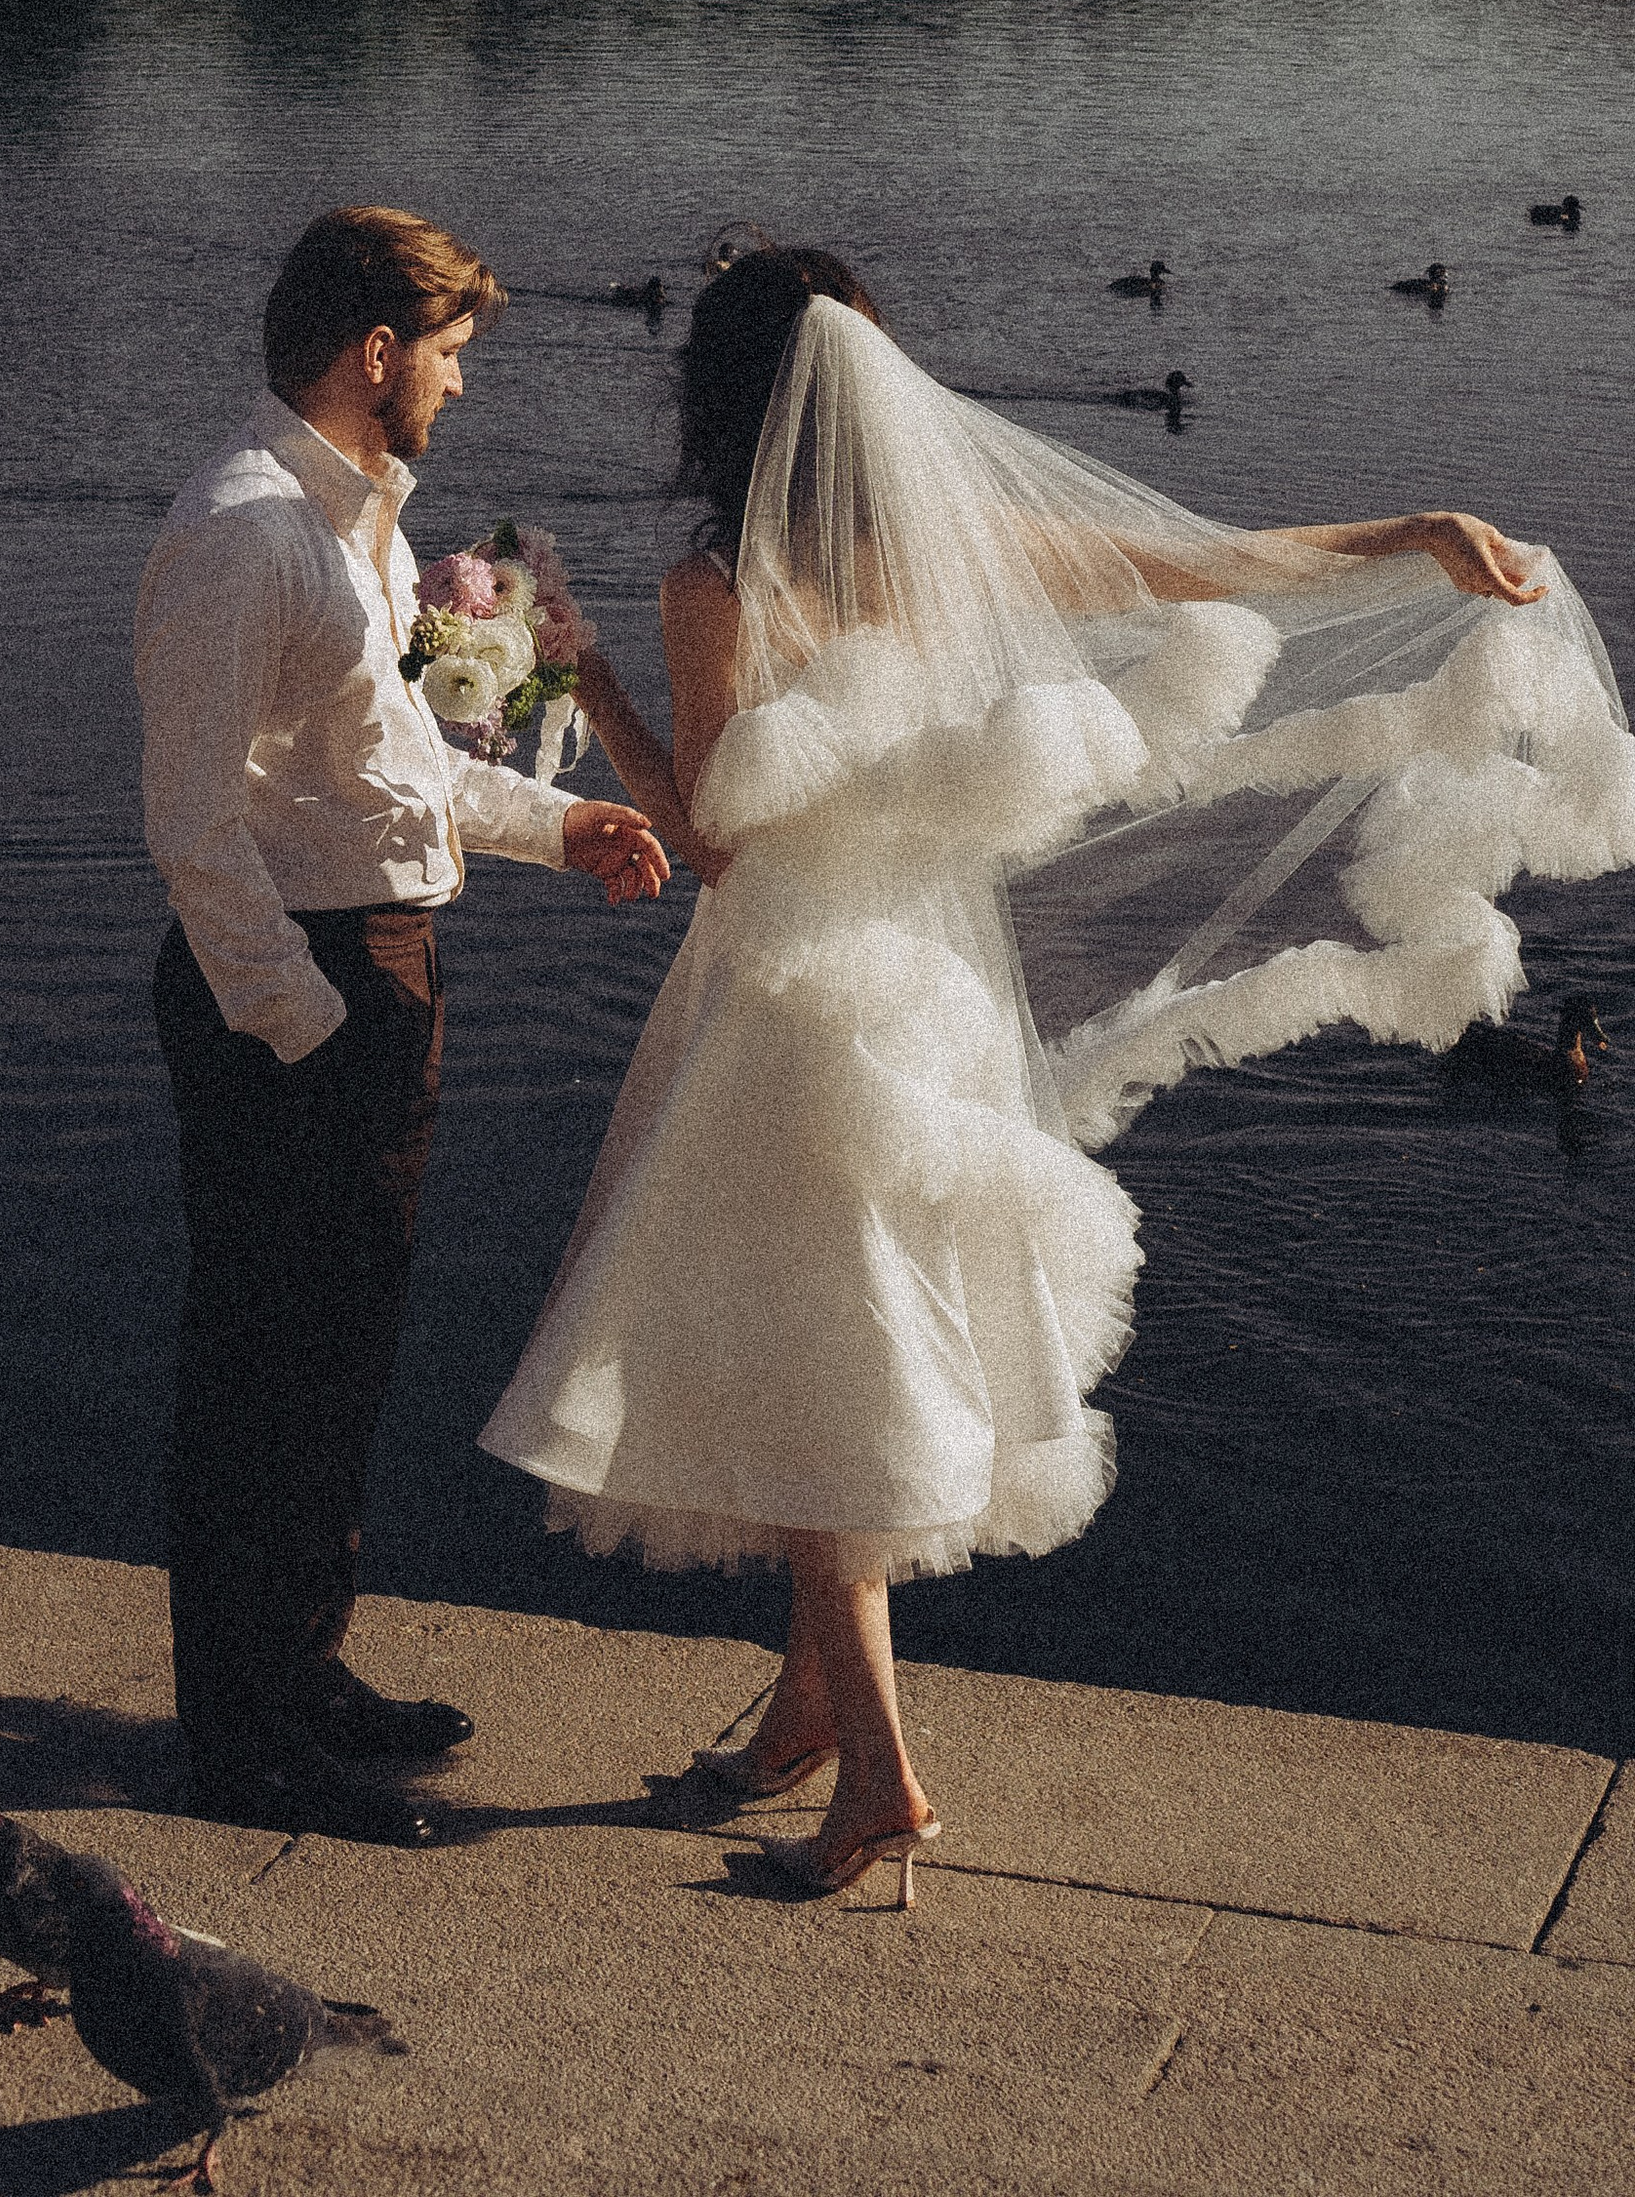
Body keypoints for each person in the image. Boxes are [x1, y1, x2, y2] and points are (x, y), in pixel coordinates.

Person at [482, 245, 1631, 1906]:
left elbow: (716, 842)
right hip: (939, 984)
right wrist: (1414, 533)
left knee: (828, 1360)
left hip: (800, 1001)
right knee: (840, 1326)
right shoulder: (956, 554)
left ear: (716, 409)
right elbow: (1220, 562)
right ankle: (806, 1708)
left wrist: (579, 677)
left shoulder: (715, 587)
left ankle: (877, 1780)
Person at [139, 205, 670, 1846]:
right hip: (292, 990)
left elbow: (382, 772)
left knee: (339, 1358)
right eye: (446, 356)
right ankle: (240, 1744)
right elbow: (190, 826)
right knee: (263, 1371)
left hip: (371, 965)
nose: (457, 385)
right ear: (377, 353)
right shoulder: (247, 530)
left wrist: (549, 824)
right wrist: (307, 1031)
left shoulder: (353, 524)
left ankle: (303, 1675)